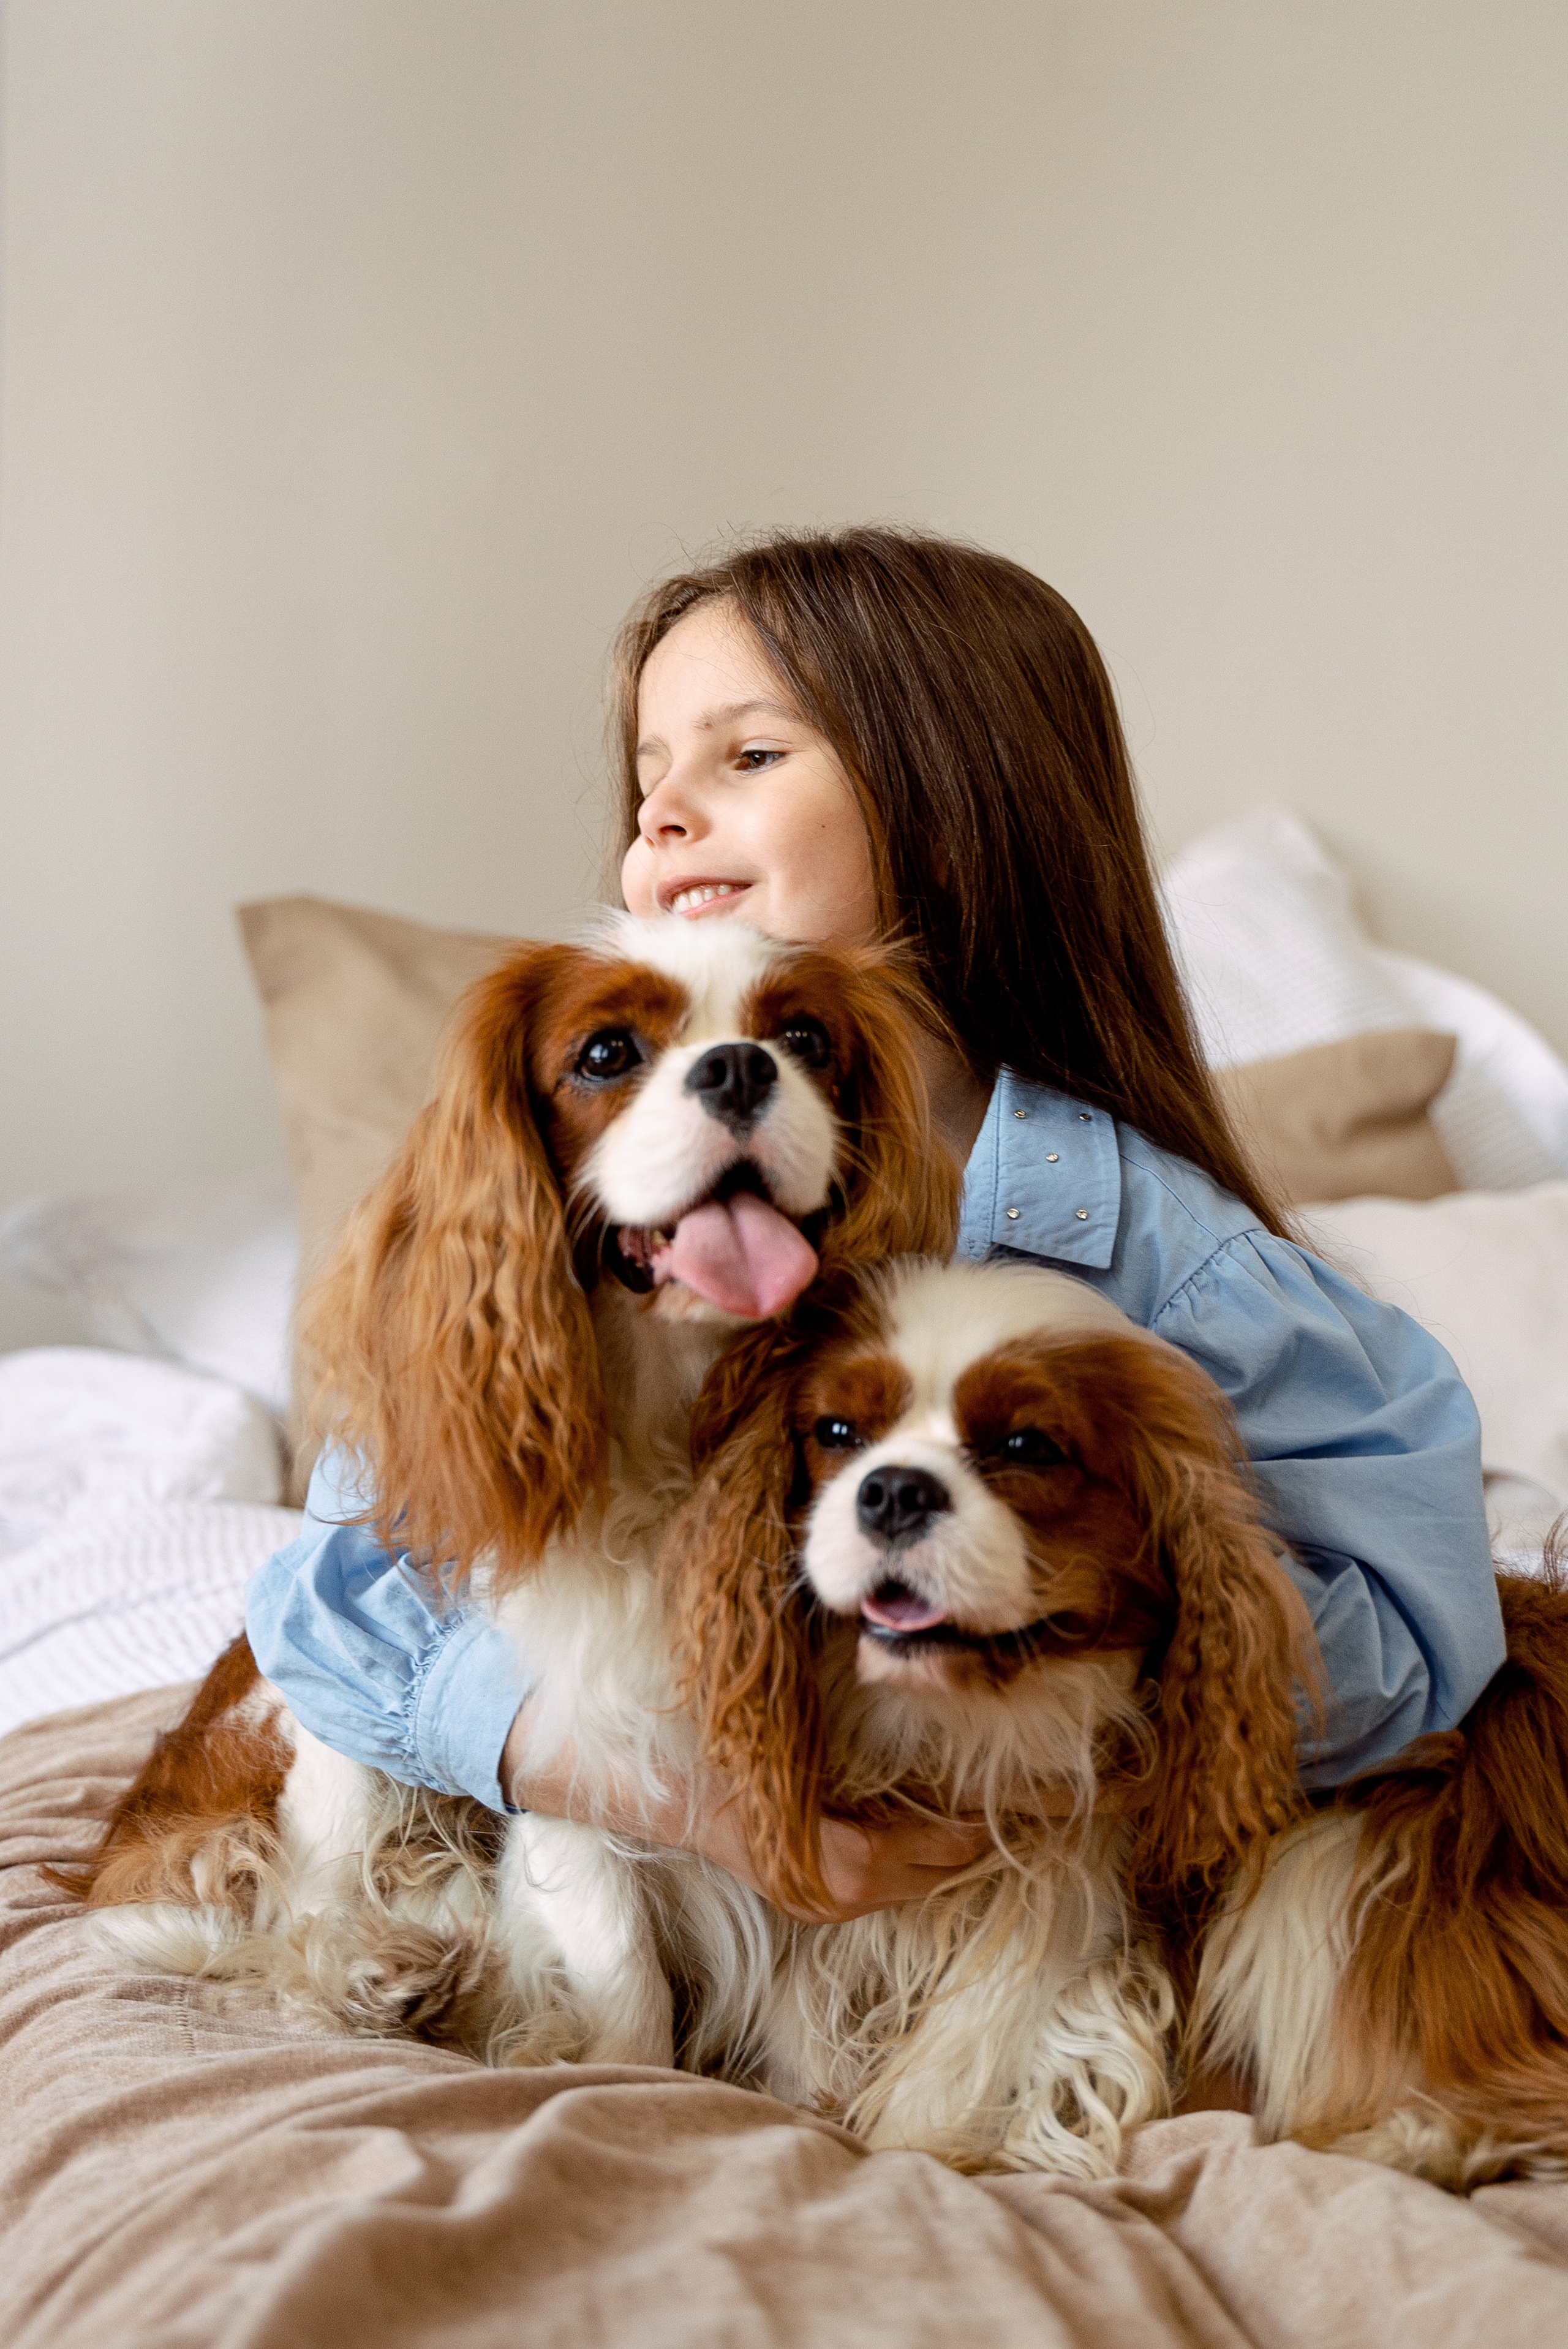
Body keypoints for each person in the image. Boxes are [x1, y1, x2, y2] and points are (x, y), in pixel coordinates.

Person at [248, 526, 1502, 1920]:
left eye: (744, 757)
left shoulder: (1155, 1253)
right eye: (648, 772)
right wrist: (655, 1788)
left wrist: (1046, 1697)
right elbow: (325, 1603)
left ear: (953, 807)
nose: (660, 814)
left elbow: (1421, 1619)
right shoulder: (562, 1196)